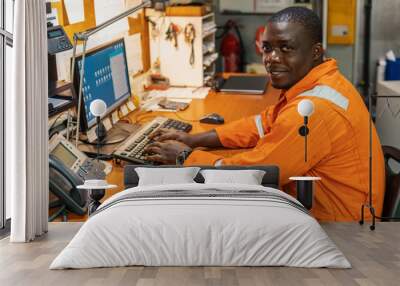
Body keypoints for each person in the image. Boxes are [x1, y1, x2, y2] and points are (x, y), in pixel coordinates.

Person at [144, 7, 385, 222]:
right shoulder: (318, 82)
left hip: (340, 228)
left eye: (286, 48)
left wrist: (185, 157)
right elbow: (261, 123)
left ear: (315, 52)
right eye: (267, 48)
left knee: (190, 217)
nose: (272, 58)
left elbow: (253, 173)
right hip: (327, 208)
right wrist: (195, 139)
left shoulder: (314, 111)